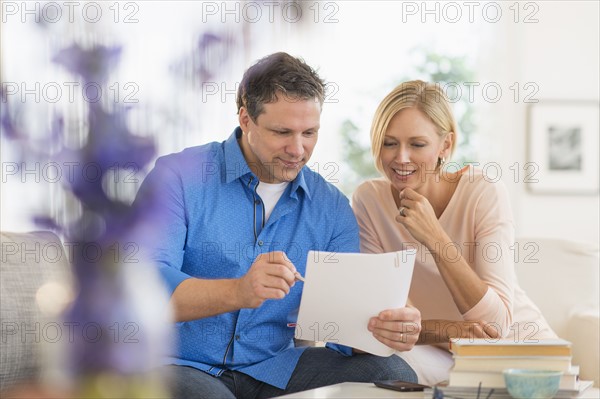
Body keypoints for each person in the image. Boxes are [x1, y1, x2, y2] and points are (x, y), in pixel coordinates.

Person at [135, 53, 420, 399]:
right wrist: (239, 291)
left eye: (309, 133)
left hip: (274, 370)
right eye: (282, 132)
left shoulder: (330, 208)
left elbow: (344, 331)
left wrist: (383, 330)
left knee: (393, 374)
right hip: (177, 364)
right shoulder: (178, 176)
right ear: (246, 119)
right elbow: (146, 291)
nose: (297, 149)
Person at [351, 80, 557, 386]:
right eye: (389, 142)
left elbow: (495, 327)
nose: (401, 158)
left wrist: (435, 237)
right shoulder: (369, 199)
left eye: (417, 144)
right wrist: (447, 330)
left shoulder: (482, 191)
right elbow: (379, 324)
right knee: (376, 363)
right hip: (442, 354)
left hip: (518, 354)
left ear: (444, 146)